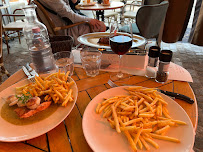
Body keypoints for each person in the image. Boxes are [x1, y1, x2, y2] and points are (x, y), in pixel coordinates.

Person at [38, 0, 106, 45]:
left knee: (99, 25)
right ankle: (93, 52)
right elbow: (70, 16)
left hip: (62, 25)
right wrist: (90, 20)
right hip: (64, 30)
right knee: (100, 26)